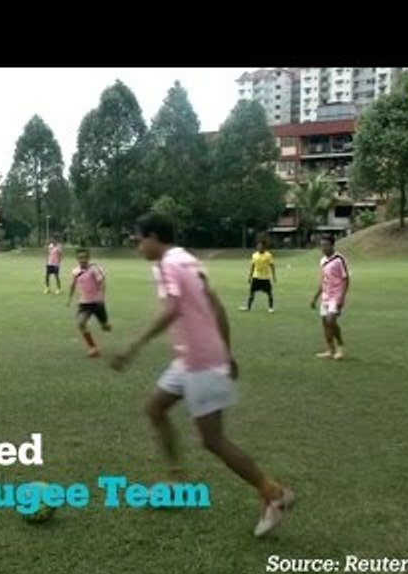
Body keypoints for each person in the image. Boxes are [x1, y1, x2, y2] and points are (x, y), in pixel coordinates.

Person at [110, 213, 295, 537]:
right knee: (155, 409)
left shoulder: (169, 264)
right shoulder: (186, 259)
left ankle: (273, 492)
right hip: (191, 359)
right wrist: (227, 352)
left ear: (153, 237)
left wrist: (134, 346)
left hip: (200, 361)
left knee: (212, 440)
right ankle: (178, 482)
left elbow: (172, 310)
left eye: (139, 240)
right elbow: (217, 307)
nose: (137, 247)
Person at [310, 234, 350, 360]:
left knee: (331, 321)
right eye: (322, 245)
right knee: (325, 324)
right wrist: (315, 297)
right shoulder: (322, 260)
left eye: (326, 245)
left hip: (336, 295)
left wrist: (342, 298)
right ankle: (330, 350)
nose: (323, 248)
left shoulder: (339, 259)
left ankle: (340, 347)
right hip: (325, 295)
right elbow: (323, 280)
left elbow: (346, 279)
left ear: (332, 245)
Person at [66, 247, 111, 358]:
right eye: (80, 258)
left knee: (105, 327)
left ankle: (105, 324)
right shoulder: (76, 272)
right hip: (84, 304)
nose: (83, 260)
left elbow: (102, 282)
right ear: (77, 259)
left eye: (85, 257)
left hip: (97, 303)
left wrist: (101, 296)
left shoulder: (94, 269)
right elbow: (72, 285)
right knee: (81, 323)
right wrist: (69, 299)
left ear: (88, 258)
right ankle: (93, 348)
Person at [239, 240, 276, 312]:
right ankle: (248, 307)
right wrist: (250, 276)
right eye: (258, 246)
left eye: (261, 246)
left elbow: (272, 266)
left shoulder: (268, 255)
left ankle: (271, 308)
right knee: (252, 293)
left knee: (269, 293)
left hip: (265, 278)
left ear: (264, 247)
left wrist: (274, 276)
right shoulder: (254, 255)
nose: (259, 247)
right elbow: (252, 266)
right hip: (256, 277)